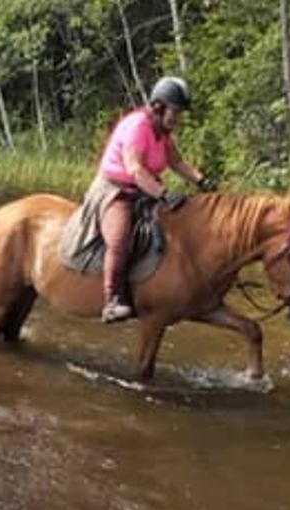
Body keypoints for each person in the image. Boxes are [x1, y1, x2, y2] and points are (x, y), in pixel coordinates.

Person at [90, 76, 216, 324]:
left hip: (143, 191)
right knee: (119, 239)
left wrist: (202, 181)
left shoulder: (163, 133)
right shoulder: (138, 127)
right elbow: (135, 169)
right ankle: (112, 300)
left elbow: (177, 163)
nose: (177, 119)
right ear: (159, 107)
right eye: (175, 112)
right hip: (115, 190)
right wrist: (163, 194)